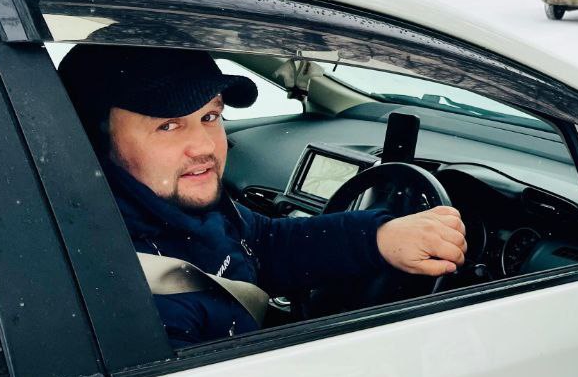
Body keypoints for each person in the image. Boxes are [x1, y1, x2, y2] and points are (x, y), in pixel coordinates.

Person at [59, 43, 467, 347]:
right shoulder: (129, 300)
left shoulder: (171, 203)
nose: (205, 146)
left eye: (210, 117)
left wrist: (379, 237)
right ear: (96, 140)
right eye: (169, 126)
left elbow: (261, 243)